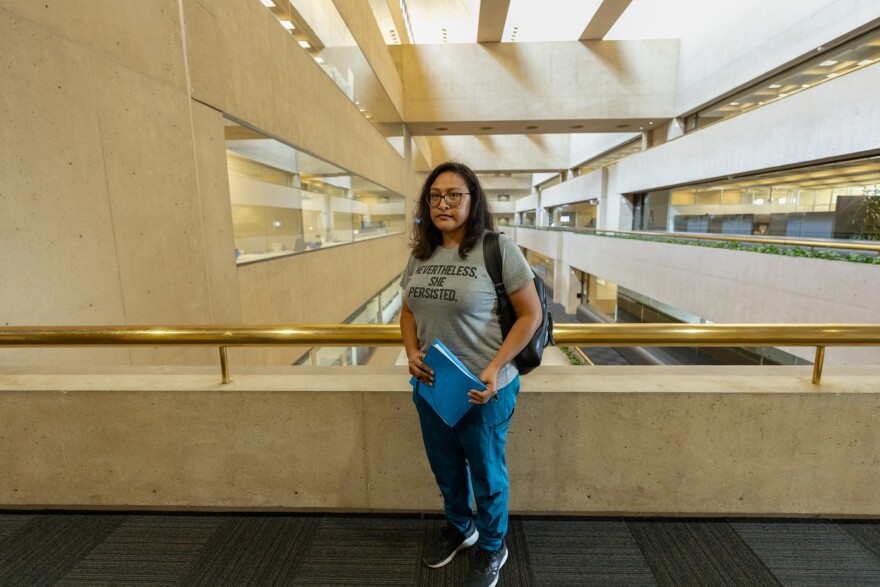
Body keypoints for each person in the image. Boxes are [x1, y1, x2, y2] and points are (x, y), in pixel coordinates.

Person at [399, 161, 541, 587]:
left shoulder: (498, 249)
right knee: (445, 468)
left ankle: (494, 544)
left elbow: (530, 315)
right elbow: (407, 311)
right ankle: (462, 528)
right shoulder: (421, 254)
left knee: (487, 475)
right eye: (435, 195)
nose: (443, 203)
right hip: (432, 385)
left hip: (484, 389)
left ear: (472, 200)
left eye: (454, 195)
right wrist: (410, 352)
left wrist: (496, 369)